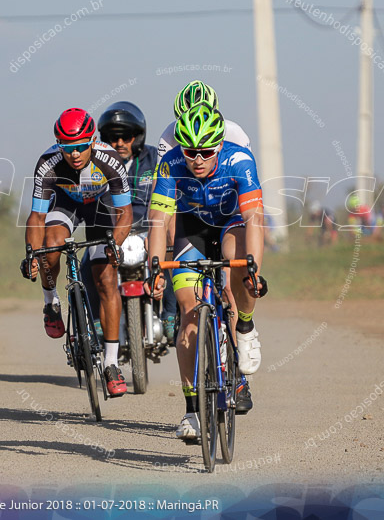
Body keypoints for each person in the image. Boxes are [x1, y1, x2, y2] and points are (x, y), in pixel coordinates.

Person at [146, 102, 267, 440]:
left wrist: (253, 269)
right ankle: (192, 411)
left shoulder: (239, 161)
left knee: (239, 271)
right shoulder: (171, 165)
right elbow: (158, 222)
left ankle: (244, 325)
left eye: (205, 152)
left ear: (219, 147)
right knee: (188, 313)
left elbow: (255, 219)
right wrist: (155, 268)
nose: (197, 159)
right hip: (192, 227)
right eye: (190, 152)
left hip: (231, 223)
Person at [21, 108, 133, 397]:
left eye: (82, 146)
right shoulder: (48, 163)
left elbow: (125, 214)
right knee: (52, 247)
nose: (75, 154)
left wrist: (115, 246)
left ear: (93, 141)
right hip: (66, 204)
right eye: (67, 148)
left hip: (100, 206)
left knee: (106, 280)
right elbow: (36, 218)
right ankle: (51, 302)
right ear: (59, 146)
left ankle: (111, 363)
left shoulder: (110, 159)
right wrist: (33, 254)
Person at [80, 101, 179, 343]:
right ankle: (95, 322)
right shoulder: (96, 163)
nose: (120, 144)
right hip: (111, 234)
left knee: (172, 258)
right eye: (114, 138)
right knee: (85, 266)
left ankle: (170, 314)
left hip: (148, 231)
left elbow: (170, 191)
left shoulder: (156, 158)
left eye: (127, 137)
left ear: (139, 137)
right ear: (104, 139)